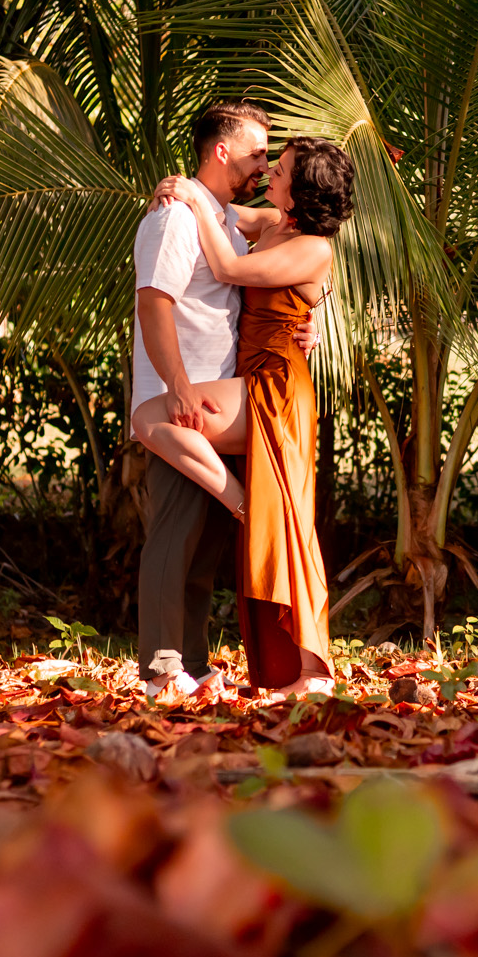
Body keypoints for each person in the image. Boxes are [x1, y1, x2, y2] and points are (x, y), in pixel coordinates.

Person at [132, 135, 355, 697]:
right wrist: (185, 192)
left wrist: (317, 308)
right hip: (252, 376)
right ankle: (296, 668)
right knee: (279, 522)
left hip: (278, 386)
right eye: (266, 162)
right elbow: (224, 210)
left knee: (289, 524)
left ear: (301, 189)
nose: (268, 173)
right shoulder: (271, 222)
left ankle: (313, 672)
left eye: (278, 169)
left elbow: (229, 266)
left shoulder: (314, 245)